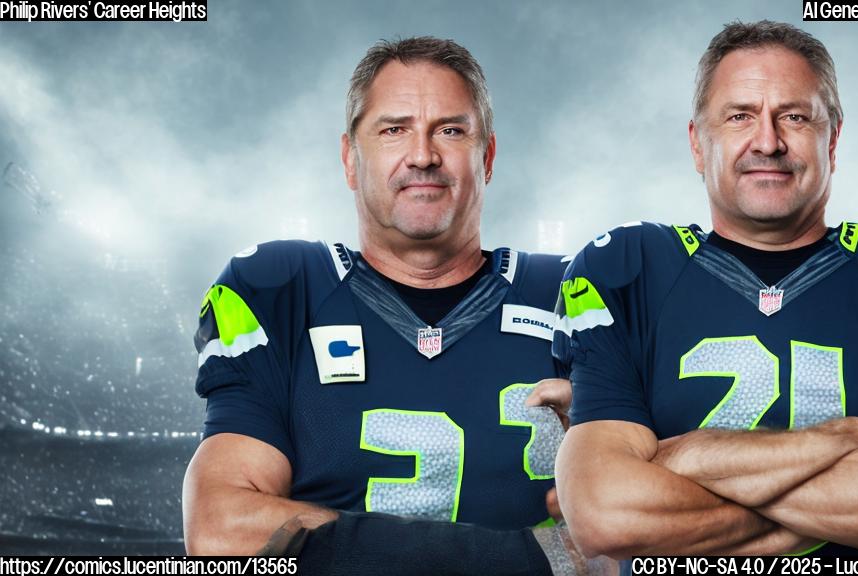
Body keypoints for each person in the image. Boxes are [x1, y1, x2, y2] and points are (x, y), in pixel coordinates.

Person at [551, 20, 858, 560]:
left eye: (794, 117)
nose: (768, 141)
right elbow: (605, 514)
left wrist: (683, 458)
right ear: (697, 143)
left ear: (833, 138)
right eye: (740, 116)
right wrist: (840, 441)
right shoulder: (626, 267)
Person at [183, 36, 608, 575]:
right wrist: (533, 556)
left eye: (450, 130)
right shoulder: (280, 289)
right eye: (393, 129)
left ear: (488, 156)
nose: (423, 155)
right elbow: (220, 530)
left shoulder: (575, 293)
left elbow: (654, 521)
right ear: (349, 159)